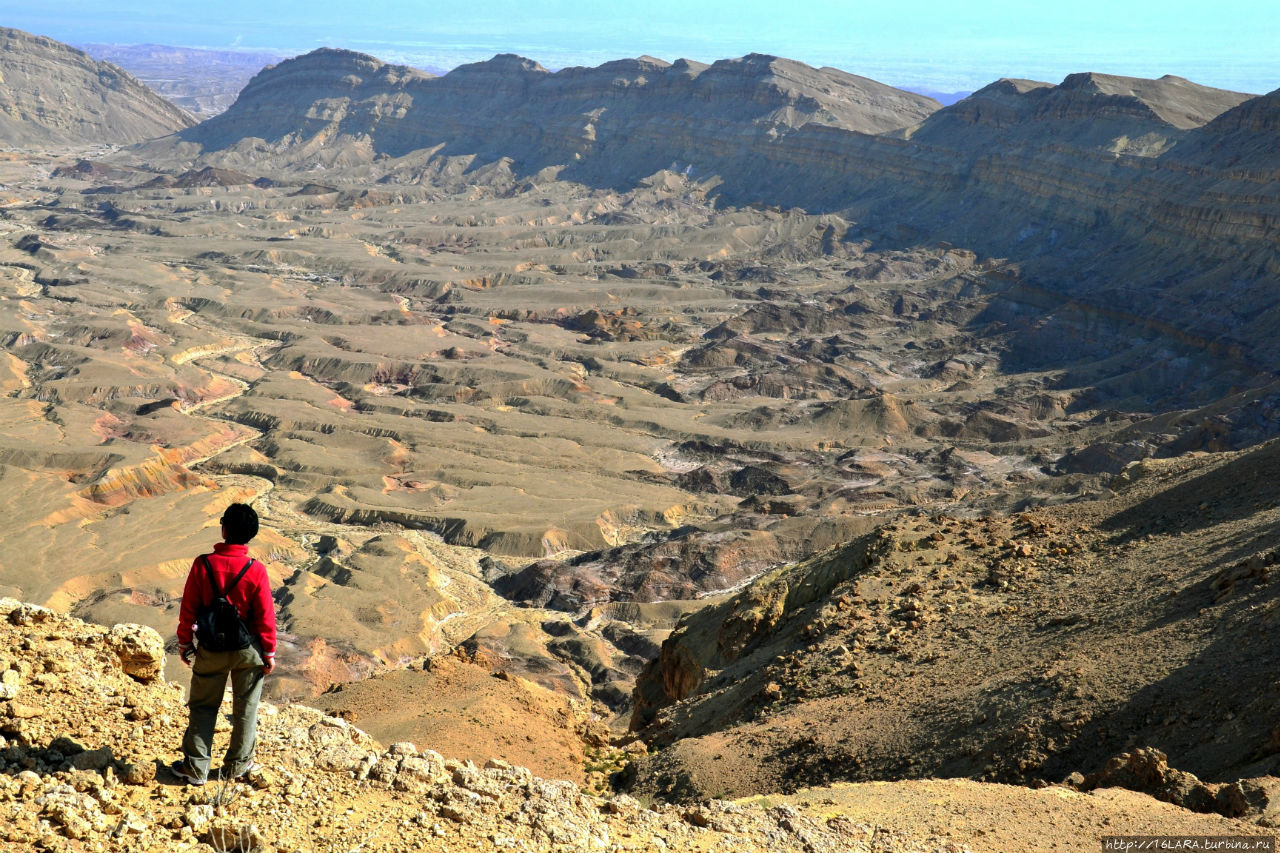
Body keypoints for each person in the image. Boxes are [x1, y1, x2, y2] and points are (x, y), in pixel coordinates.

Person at [170, 503, 276, 785]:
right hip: (247, 651)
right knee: (246, 708)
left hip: (210, 650)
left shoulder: (203, 564)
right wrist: (269, 651)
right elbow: (265, 616)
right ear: (251, 534)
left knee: (204, 707)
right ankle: (237, 767)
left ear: (224, 528)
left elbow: (188, 608)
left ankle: (195, 768)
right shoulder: (256, 570)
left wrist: (184, 642)